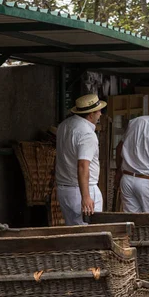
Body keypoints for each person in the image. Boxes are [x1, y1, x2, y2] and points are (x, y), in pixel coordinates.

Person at [55, 94, 106, 226]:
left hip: (65, 189)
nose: (100, 114)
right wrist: (86, 196)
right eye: (98, 111)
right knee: (91, 234)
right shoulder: (87, 133)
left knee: (73, 234)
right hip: (82, 189)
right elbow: (83, 165)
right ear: (90, 115)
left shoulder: (63, 126)